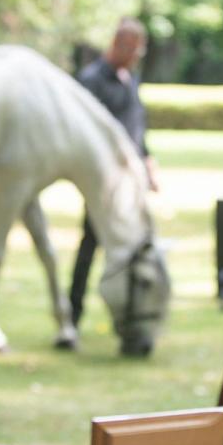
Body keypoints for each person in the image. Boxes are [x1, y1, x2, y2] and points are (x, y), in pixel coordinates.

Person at [68, 17, 159, 329]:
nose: (136, 57)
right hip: (106, 182)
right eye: (133, 51)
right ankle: (73, 313)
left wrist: (148, 161)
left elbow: (137, 123)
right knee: (90, 244)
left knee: (135, 248)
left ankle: (131, 315)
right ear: (118, 45)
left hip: (133, 182)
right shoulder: (91, 80)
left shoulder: (130, 78)